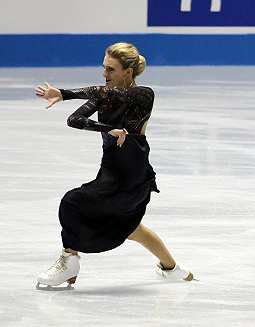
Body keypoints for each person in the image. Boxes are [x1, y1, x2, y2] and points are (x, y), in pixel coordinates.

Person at [35, 42, 193, 289]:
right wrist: (109, 128)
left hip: (133, 173)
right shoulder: (103, 96)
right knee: (131, 229)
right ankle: (172, 269)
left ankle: (69, 261)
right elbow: (74, 119)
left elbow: (105, 94)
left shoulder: (144, 95)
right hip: (111, 169)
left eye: (110, 69)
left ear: (127, 72)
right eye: (104, 68)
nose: (104, 73)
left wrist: (65, 93)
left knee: (73, 202)